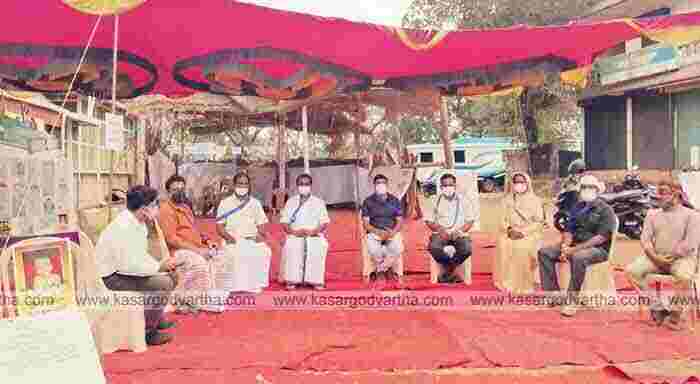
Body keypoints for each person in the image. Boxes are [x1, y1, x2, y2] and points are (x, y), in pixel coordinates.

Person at [96, 185, 179, 346]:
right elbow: (128, 265)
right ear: (143, 208)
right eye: (154, 205)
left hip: (124, 271)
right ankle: (147, 332)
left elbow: (139, 256)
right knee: (164, 283)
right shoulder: (124, 227)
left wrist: (160, 266)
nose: (157, 208)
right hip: (111, 278)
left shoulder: (138, 222)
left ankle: (156, 318)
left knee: (172, 276)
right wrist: (159, 268)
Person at [538, 175, 616, 317]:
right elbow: (568, 230)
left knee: (578, 257)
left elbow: (600, 238)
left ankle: (571, 300)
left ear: (597, 190)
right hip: (573, 246)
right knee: (544, 252)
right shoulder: (577, 207)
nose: (587, 190)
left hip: (597, 250)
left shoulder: (606, 210)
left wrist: (574, 250)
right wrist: (565, 247)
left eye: (590, 187)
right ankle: (553, 294)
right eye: (584, 187)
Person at [625, 181, 700, 330]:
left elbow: (690, 244)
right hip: (655, 258)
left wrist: (668, 258)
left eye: (663, 192)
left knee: (684, 277)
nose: (659, 196)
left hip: (682, 259)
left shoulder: (692, 215)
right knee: (632, 271)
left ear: (676, 195)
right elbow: (645, 240)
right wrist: (655, 257)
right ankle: (658, 308)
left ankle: (675, 315)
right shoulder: (652, 214)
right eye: (658, 193)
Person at [158, 174, 221, 313]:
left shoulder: (185, 207)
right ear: (168, 192)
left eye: (182, 189)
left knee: (220, 256)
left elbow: (194, 229)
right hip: (177, 251)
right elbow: (171, 239)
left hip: (195, 247)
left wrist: (208, 241)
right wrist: (197, 251)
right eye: (175, 190)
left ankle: (208, 296)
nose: (179, 192)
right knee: (199, 262)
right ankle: (195, 301)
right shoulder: (165, 210)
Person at [216, 172, 271, 294]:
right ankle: (235, 286)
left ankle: (254, 285)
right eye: (240, 183)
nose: (243, 186)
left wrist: (260, 236)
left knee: (263, 250)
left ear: (249, 186)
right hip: (232, 238)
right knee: (236, 252)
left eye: (246, 184)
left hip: (251, 238)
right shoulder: (225, 203)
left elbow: (261, 224)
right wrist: (229, 238)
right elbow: (219, 227)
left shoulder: (255, 203)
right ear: (234, 185)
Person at [494, 172, 545, 293]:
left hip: (529, 233)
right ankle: (506, 282)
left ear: (527, 183)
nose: (519, 184)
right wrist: (509, 230)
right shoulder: (506, 200)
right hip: (510, 232)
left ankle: (525, 284)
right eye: (516, 182)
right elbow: (502, 219)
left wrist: (523, 233)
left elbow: (539, 223)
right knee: (503, 243)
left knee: (521, 246)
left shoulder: (535, 200)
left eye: (522, 182)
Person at [280, 174, 330, 290]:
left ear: (311, 186)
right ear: (297, 186)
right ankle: (292, 280)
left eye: (306, 184)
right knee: (292, 245)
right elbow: (284, 222)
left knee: (319, 245)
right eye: (301, 184)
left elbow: (324, 222)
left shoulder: (318, 202)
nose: (304, 186)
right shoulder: (291, 202)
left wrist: (313, 232)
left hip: (313, 233)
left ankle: (315, 280)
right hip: (295, 233)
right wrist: (293, 232)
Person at [425, 173, 477, 283]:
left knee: (467, 249)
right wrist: (439, 229)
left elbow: (470, 220)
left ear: (455, 186)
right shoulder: (434, 200)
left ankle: (448, 270)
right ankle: (452, 270)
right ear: (441, 187)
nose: (448, 187)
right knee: (433, 247)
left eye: (450, 185)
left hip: (459, 233)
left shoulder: (464, 200)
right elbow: (428, 220)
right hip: (440, 233)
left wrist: (459, 231)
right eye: (445, 185)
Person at [361, 174, 404, 282]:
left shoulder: (395, 200)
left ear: (387, 185)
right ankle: (388, 269)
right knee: (373, 250)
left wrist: (393, 232)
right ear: (374, 185)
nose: (381, 185)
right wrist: (378, 232)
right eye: (378, 183)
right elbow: (366, 224)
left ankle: (381, 270)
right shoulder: (367, 201)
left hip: (391, 232)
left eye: (383, 183)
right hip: (374, 231)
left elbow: (400, 221)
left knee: (398, 248)